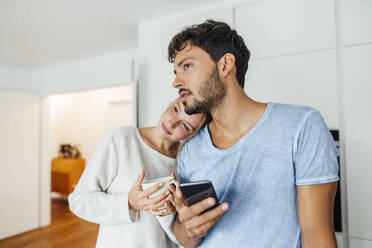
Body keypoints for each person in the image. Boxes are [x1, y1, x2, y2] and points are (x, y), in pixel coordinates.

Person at [166, 20, 339, 247]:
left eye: (187, 66)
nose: (176, 82)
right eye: (176, 71)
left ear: (225, 65)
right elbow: (184, 237)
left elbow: (317, 238)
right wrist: (189, 230)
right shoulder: (189, 151)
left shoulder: (301, 126)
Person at [68, 98, 206, 248]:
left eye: (185, 126)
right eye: (176, 109)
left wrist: (172, 214)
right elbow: (79, 201)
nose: (172, 123)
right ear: (170, 104)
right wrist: (129, 202)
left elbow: (181, 235)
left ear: (192, 134)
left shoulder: (186, 161)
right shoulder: (122, 139)